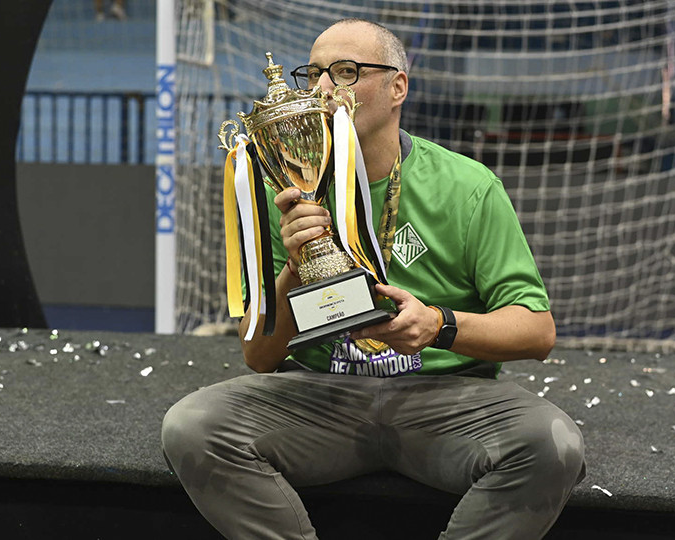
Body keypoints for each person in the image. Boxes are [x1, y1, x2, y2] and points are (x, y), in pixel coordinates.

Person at [161, 18, 586, 539]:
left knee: (551, 443)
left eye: (345, 72)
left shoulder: (467, 187)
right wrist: (296, 267)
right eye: (313, 74)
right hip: (320, 397)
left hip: (445, 399)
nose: (322, 89)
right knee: (193, 427)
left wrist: (437, 324)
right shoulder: (287, 192)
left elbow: (537, 332)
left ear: (397, 87)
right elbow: (260, 358)